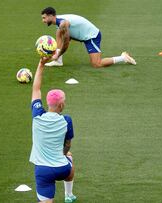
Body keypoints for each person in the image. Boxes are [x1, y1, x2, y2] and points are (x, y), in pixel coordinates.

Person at [30, 57, 77, 203]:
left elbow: (36, 89)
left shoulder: (37, 116)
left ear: (48, 103)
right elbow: (67, 144)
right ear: (61, 105)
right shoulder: (66, 121)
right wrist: (63, 154)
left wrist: (41, 64)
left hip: (43, 171)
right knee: (69, 158)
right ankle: (68, 195)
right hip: (61, 168)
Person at [40, 7, 136, 68]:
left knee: (96, 64)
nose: (43, 20)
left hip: (92, 36)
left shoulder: (63, 23)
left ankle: (123, 57)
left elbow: (66, 43)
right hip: (82, 35)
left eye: (44, 18)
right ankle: (58, 62)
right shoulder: (58, 21)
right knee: (58, 33)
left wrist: (58, 53)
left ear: (51, 16)